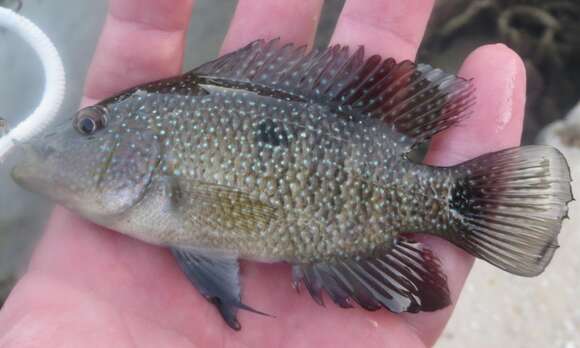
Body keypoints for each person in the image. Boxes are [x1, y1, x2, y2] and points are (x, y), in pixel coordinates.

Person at [0, 0, 526, 346]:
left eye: (90, 126)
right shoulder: (157, 166)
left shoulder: (161, 163)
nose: (78, 133)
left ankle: (462, 204)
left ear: (136, 149)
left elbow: (211, 226)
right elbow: (207, 234)